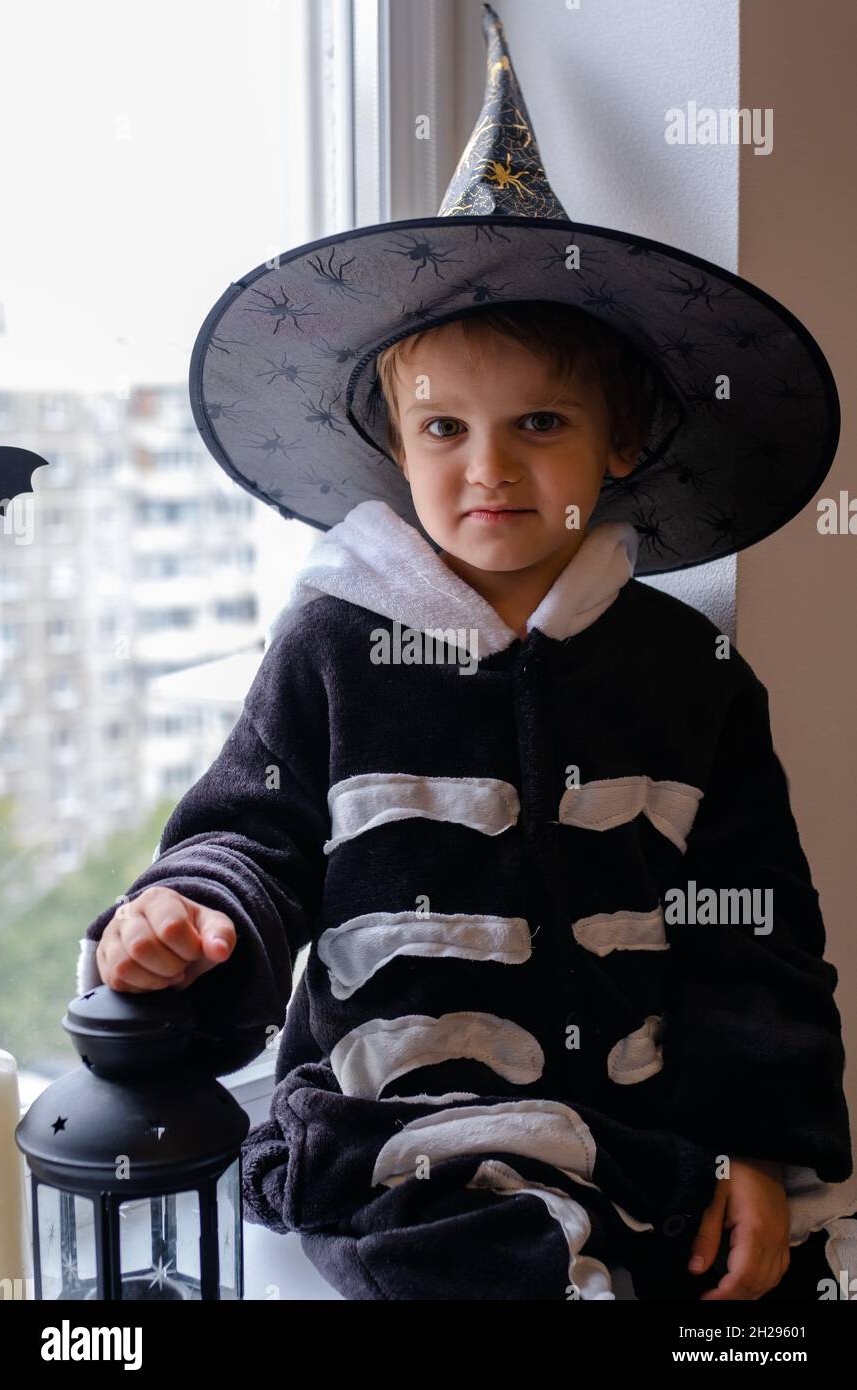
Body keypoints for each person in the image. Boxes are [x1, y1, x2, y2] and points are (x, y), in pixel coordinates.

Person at [76, 6, 856, 1301]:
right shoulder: (333, 638)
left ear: (618, 441)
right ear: (393, 438)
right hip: (390, 1142)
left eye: (537, 421)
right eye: (442, 427)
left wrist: (757, 1146)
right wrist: (191, 918)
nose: (485, 467)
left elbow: (750, 921)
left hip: (639, 1139)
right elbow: (254, 832)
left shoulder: (683, 669)